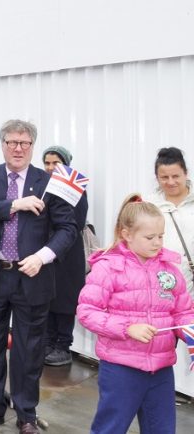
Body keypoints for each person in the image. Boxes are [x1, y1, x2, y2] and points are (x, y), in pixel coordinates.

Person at [0, 121, 77, 434]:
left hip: (33, 276)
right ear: (2, 144)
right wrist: (14, 205)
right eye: (12, 142)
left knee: (29, 350)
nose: (18, 148)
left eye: (24, 143)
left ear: (32, 146)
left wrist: (42, 257)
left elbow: (68, 228)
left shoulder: (50, 182)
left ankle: (26, 413)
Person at [78, 194, 194, 433]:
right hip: (121, 369)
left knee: (162, 429)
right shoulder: (108, 268)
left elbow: (183, 312)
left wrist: (190, 330)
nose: (157, 243)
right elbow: (87, 312)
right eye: (150, 237)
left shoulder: (170, 270)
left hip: (161, 369)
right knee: (110, 428)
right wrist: (127, 328)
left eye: (161, 236)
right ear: (126, 234)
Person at [41, 145, 89, 367]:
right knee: (48, 298)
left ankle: (63, 345)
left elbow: (76, 222)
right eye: (47, 163)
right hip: (46, 251)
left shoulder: (75, 189)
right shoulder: (42, 186)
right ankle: (48, 342)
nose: (51, 167)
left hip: (68, 254)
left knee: (65, 301)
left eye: (56, 163)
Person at [147, 147, 194, 296]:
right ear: (157, 178)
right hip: (160, 287)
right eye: (164, 177)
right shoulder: (149, 206)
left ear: (186, 173)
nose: (171, 182)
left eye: (175, 176)